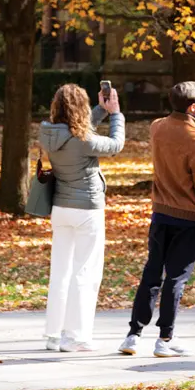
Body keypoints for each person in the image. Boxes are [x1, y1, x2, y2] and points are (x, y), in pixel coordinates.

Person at [118, 81, 195, 358]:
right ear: (192, 107)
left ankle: (133, 335)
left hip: (160, 214)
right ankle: (165, 337)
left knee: (152, 273)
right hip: (187, 219)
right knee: (175, 279)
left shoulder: (157, 128)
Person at [40, 84, 125, 352]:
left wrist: (101, 109)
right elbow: (115, 145)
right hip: (87, 209)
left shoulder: (48, 133)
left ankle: (54, 334)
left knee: (61, 272)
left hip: (60, 208)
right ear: (80, 108)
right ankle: (76, 336)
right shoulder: (84, 140)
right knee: (85, 271)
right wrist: (116, 115)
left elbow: (77, 128)